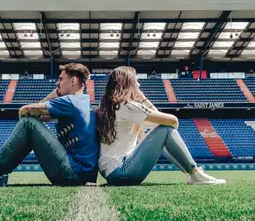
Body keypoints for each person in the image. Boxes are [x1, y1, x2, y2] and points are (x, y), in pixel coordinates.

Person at [0, 63, 99, 187]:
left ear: (73, 81)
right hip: (84, 175)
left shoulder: (70, 100)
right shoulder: (83, 103)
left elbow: (25, 112)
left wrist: (53, 95)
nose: (57, 83)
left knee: (28, 123)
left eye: (61, 79)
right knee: (30, 123)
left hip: (71, 172)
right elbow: (39, 117)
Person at [97, 66, 226, 186]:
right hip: (122, 172)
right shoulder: (128, 106)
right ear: (128, 84)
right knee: (166, 129)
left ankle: (192, 173)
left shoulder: (113, 107)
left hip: (114, 173)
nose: (139, 84)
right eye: (136, 81)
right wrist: (143, 99)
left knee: (162, 136)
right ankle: (195, 173)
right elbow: (172, 121)